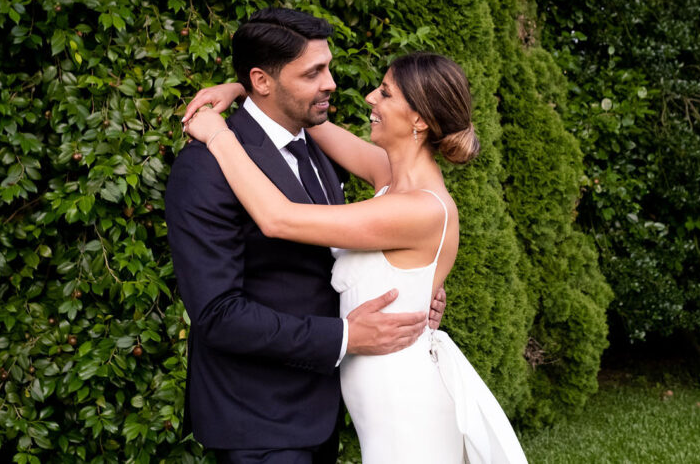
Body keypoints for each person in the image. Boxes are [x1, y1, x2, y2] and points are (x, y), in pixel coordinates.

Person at [184, 46, 528, 464]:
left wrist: (217, 135)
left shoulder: (419, 208)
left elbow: (277, 218)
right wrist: (246, 90)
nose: (370, 98)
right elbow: (308, 121)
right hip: (378, 401)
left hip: (403, 403)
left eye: (385, 92)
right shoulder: (391, 175)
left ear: (418, 119)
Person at [165, 8, 445, 464]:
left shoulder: (315, 144)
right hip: (257, 419)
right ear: (262, 80)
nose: (331, 83)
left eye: (327, 67)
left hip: (321, 409)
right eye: (314, 72)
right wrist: (345, 337)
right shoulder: (206, 166)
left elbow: (320, 260)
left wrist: (413, 290)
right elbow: (218, 314)